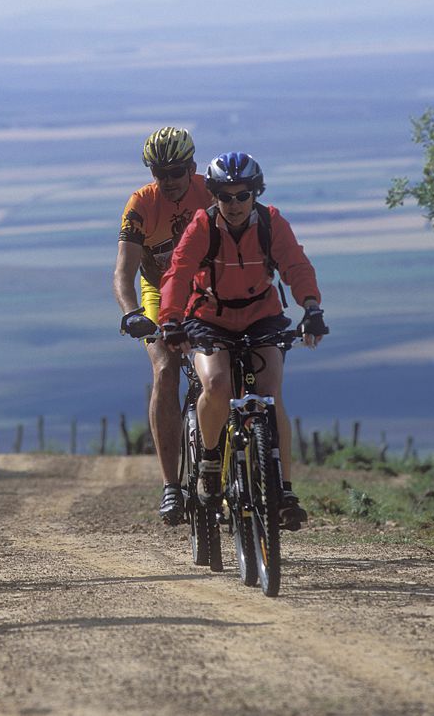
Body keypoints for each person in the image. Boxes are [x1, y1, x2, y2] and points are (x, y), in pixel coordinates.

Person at [157, 152, 328, 530]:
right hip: (209, 319)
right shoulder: (203, 225)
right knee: (216, 384)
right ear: (214, 196)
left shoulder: (271, 222)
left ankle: (283, 491)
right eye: (226, 196)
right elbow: (178, 273)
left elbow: (295, 265)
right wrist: (171, 321)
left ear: (255, 193)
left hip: (261, 315)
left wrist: (312, 308)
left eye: (242, 195)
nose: (234, 204)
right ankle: (211, 461)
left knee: (270, 392)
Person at [113, 127, 214, 525]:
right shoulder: (141, 203)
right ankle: (172, 484)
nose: (168, 180)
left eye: (175, 171)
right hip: (157, 293)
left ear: (191, 167)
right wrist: (131, 312)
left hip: (207, 290)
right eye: (159, 172)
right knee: (165, 369)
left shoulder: (211, 192)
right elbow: (124, 273)